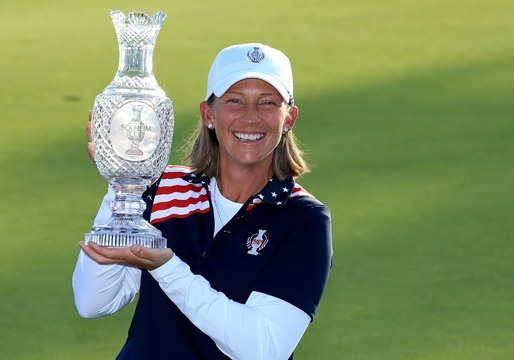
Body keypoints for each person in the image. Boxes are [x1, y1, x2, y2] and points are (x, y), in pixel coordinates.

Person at [73, 43, 333, 360]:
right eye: (235, 101)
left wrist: (167, 267)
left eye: (267, 103)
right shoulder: (163, 186)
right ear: (208, 114)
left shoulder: (302, 217)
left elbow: (262, 348)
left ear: (288, 118)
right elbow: (92, 302)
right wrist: (122, 183)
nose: (251, 117)